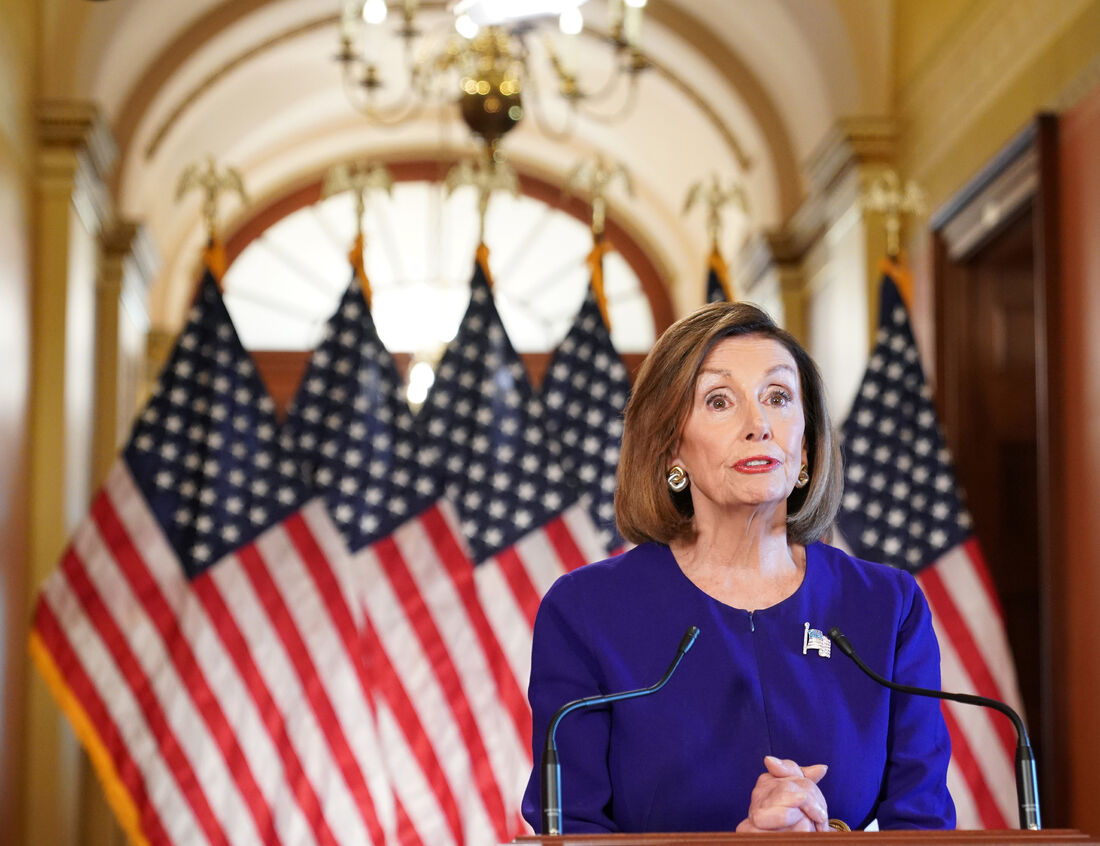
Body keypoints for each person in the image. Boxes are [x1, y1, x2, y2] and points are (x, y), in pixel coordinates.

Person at [521, 301, 955, 834]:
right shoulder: (587, 612)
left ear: (807, 441)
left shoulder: (887, 607)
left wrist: (830, 839)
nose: (759, 425)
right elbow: (569, 828)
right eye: (719, 400)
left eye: (778, 397)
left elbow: (924, 825)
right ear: (669, 447)